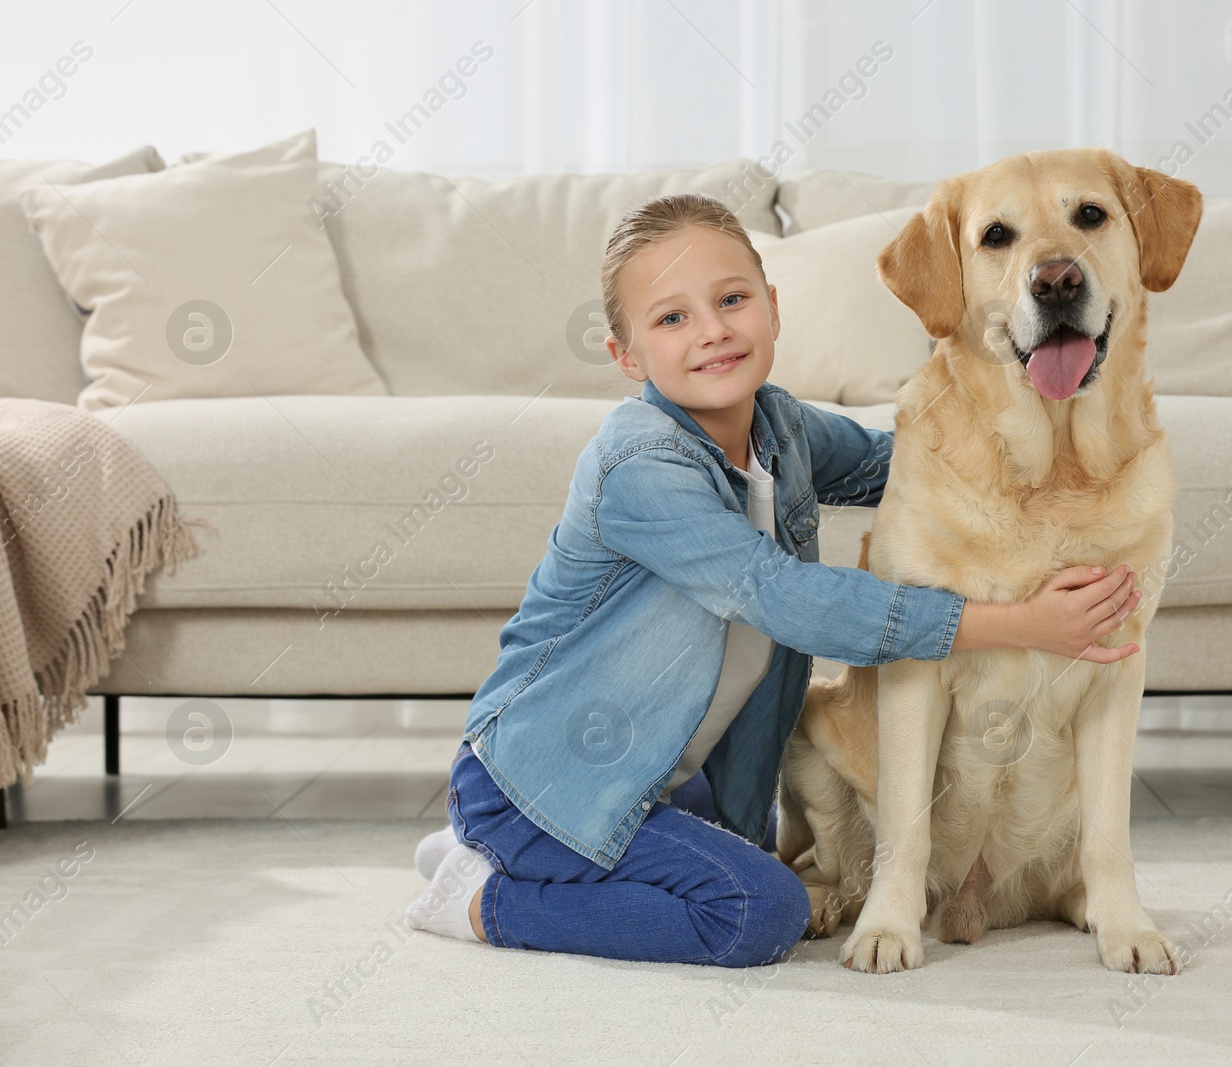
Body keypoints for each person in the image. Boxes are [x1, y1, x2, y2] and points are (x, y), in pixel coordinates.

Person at [401, 192, 1145, 967]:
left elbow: (904, 465)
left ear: (772, 308)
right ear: (627, 358)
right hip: (548, 770)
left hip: (659, 775)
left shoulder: (780, 426)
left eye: (731, 300)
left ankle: (503, 847)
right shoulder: (639, 467)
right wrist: (1015, 622)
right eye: (671, 318)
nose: (714, 330)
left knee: (732, 848)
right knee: (758, 909)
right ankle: (484, 895)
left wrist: (1017, 406)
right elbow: (788, 598)